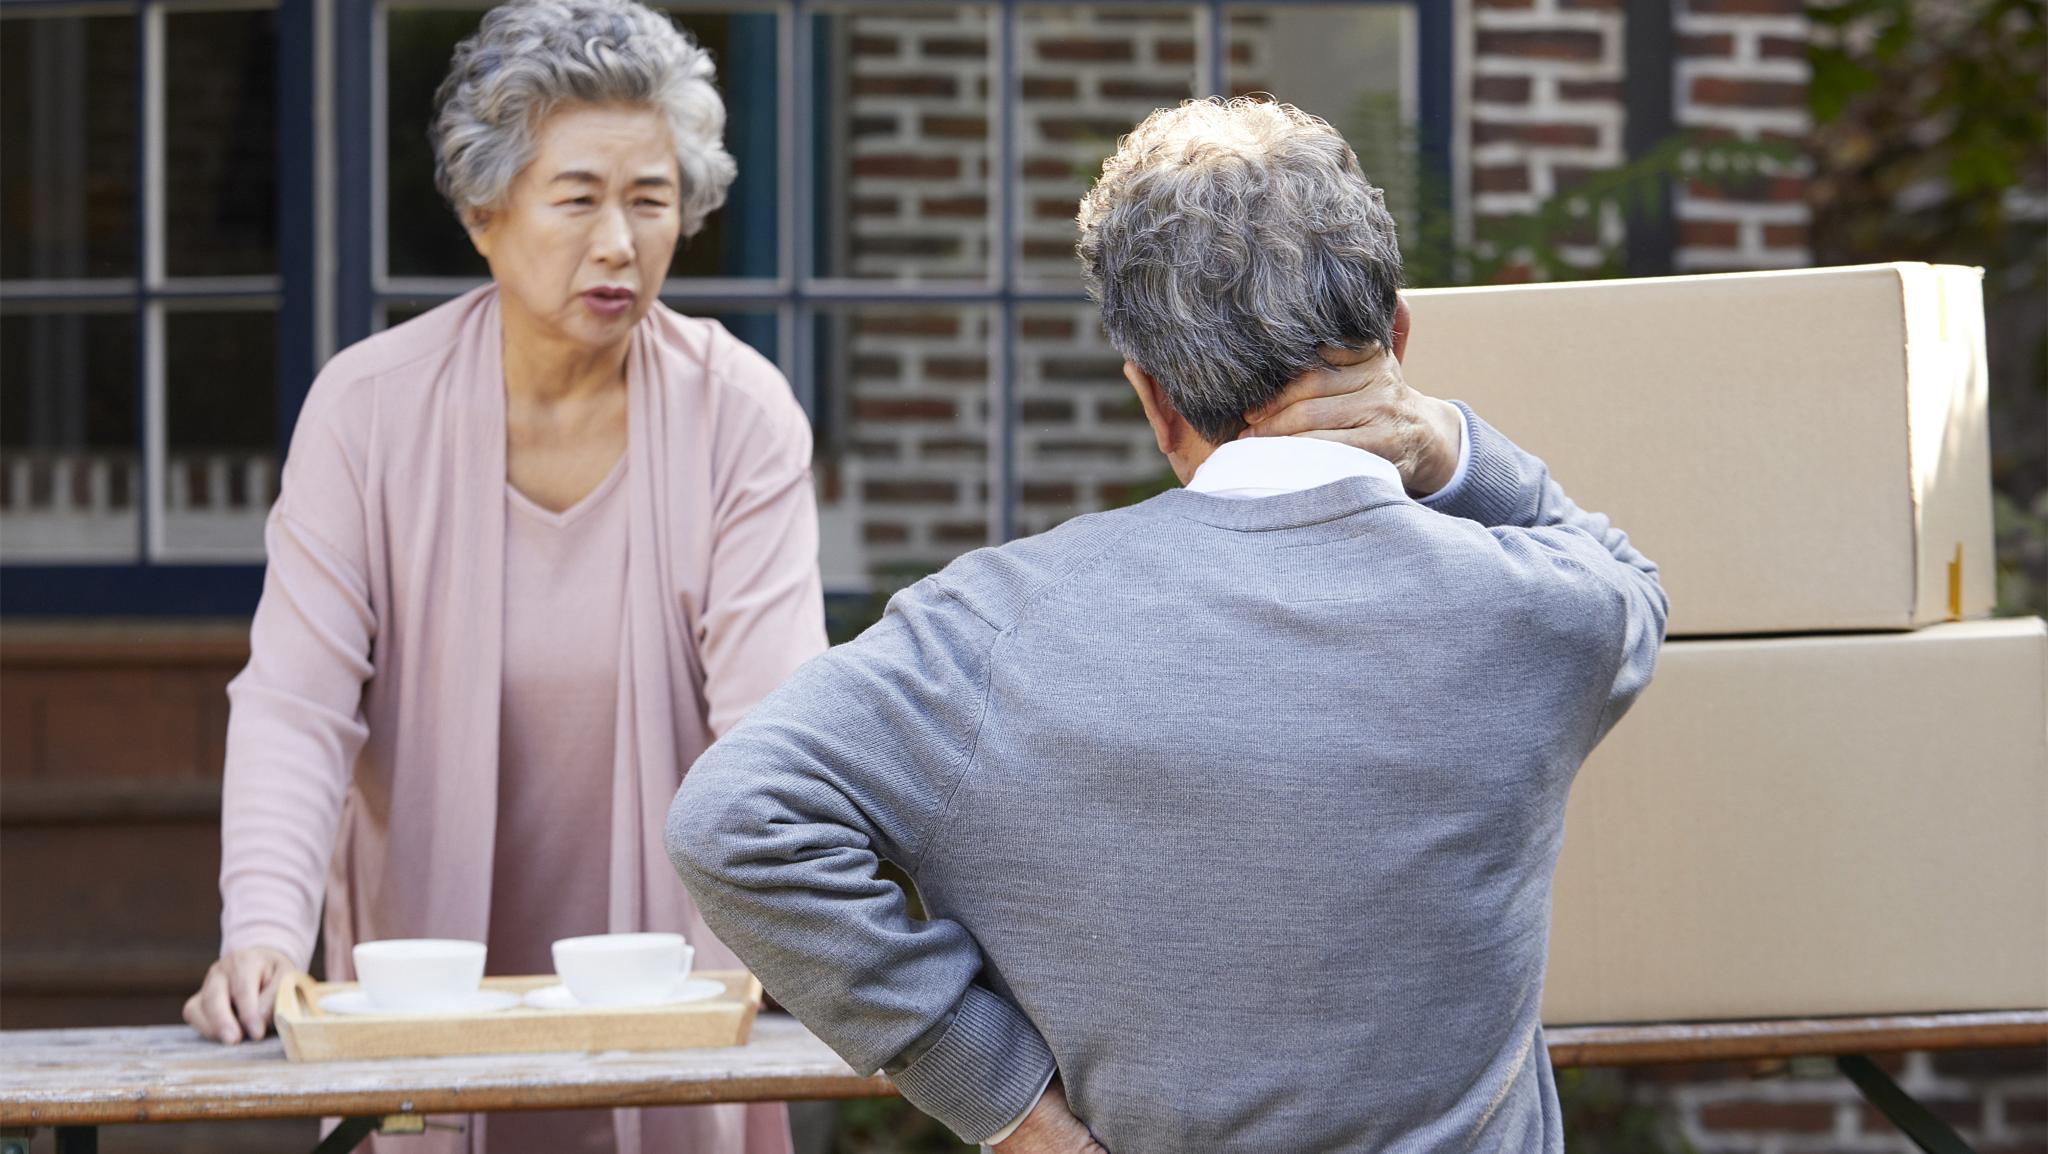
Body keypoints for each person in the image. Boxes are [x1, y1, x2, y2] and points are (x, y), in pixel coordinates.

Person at [666, 97, 1668, 1154]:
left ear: (1151, 399)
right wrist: (1443, 441)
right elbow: (1628, 578)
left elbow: (731, 819)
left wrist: (999, 1097)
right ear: (1397, 339)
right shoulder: (1539, 608)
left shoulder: (987, 632)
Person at [182, 2, 820, 1151]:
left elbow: (772, 727)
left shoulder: (742, 414)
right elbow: (297, 701)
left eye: (651, 198)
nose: (619, 242)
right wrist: (263, 929)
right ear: (485, 211)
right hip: (422, 996)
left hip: (675, 994)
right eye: (577, 198)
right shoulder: (367, 411)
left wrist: (778, 937)